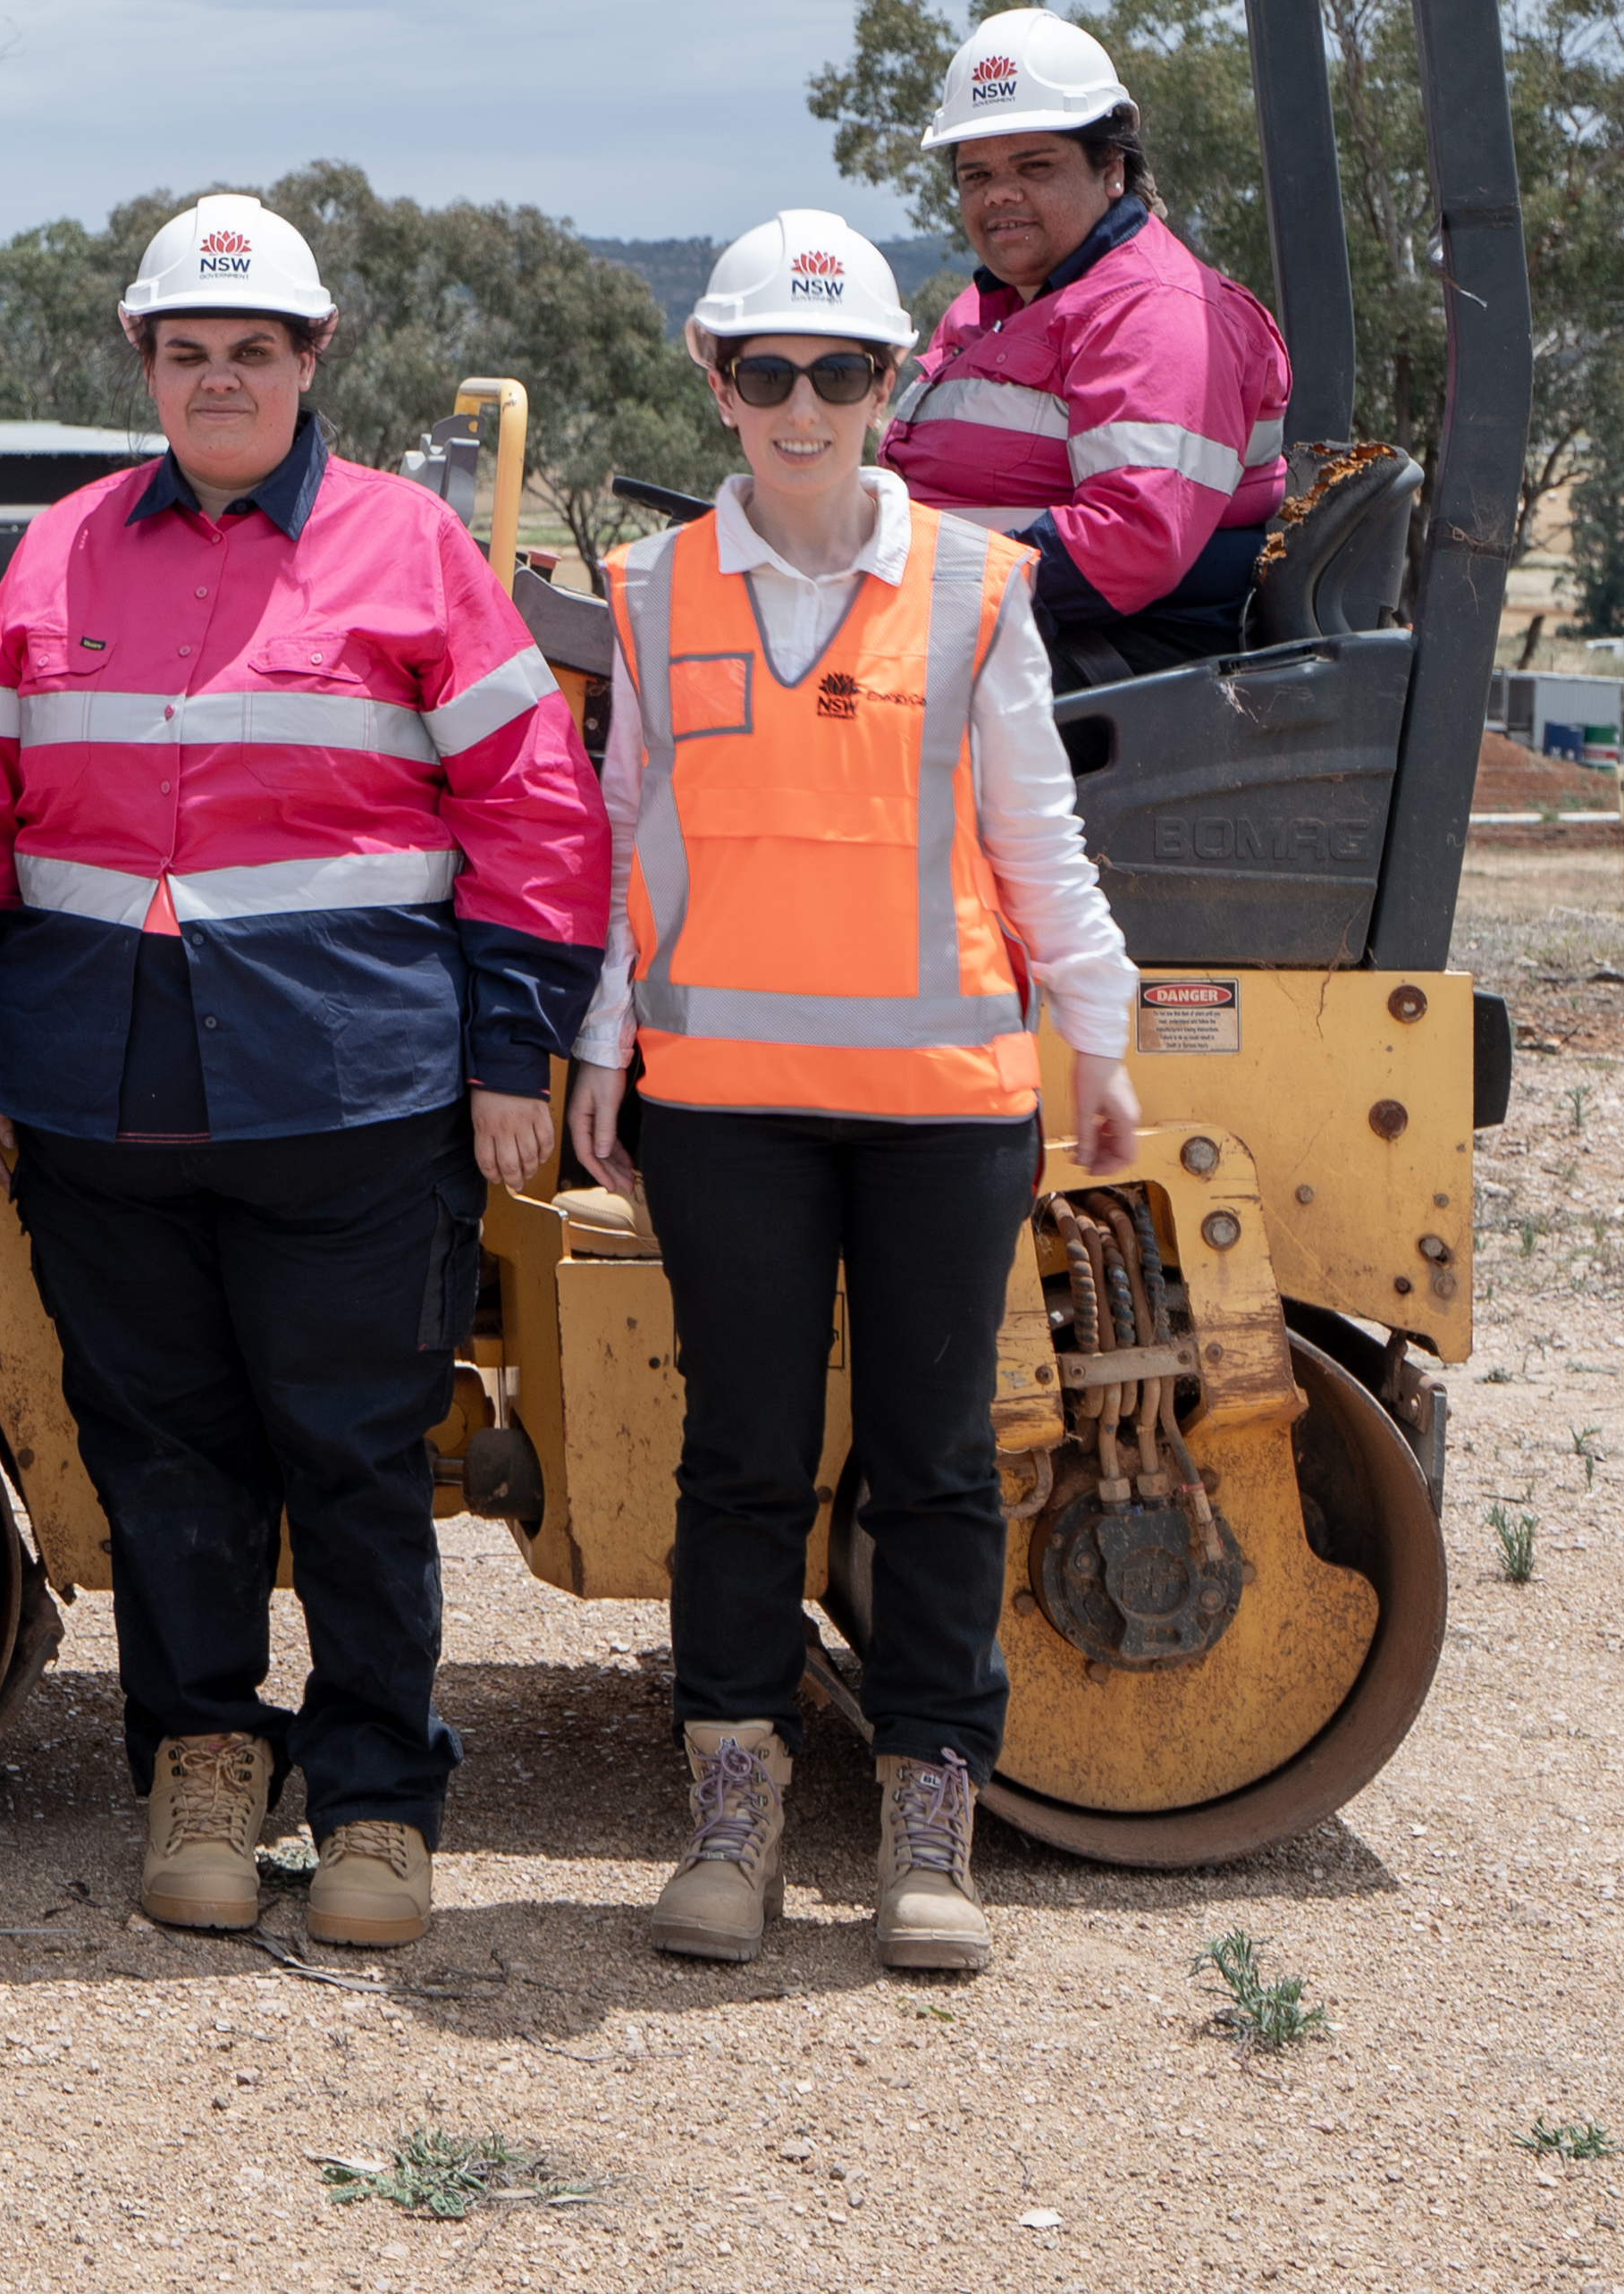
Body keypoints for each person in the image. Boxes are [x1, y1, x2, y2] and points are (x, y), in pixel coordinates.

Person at [0, 192, 605, 1953]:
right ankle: (203, 1761)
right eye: (185, 350)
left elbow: (530, 801)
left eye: (249, 348)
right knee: (162, 1454)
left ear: (310, 359)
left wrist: (509, 1043)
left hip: (352, 1095)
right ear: (143, 364)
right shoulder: (57, 556)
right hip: (99, 1093)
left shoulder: (409, 549)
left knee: (354, 1451)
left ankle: (377, 1788)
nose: (216, 376)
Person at [573, 212, 1142, 1978]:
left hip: (941, 1107)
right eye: (766, 371)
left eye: (835, 371)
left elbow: (1033, 828)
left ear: (887, 382)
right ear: (716, 382)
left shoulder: (974, 586)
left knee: (935, 1463)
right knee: (739, 1460)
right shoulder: (649, 590)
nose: (799, 405)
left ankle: (924, 1814)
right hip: (723, 1103)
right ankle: (728, 1812)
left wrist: (1100, 1030)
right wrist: (598, 1042)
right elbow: (625, 836)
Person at [883, 6, 1289, 684]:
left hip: (1101, 659)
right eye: (976, 175)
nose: (999, 194)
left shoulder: (1156, 309)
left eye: (1034, 166)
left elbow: (1132, 536)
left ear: (1111, 170)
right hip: (987, 626)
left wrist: (934, 588)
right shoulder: (992, 305)